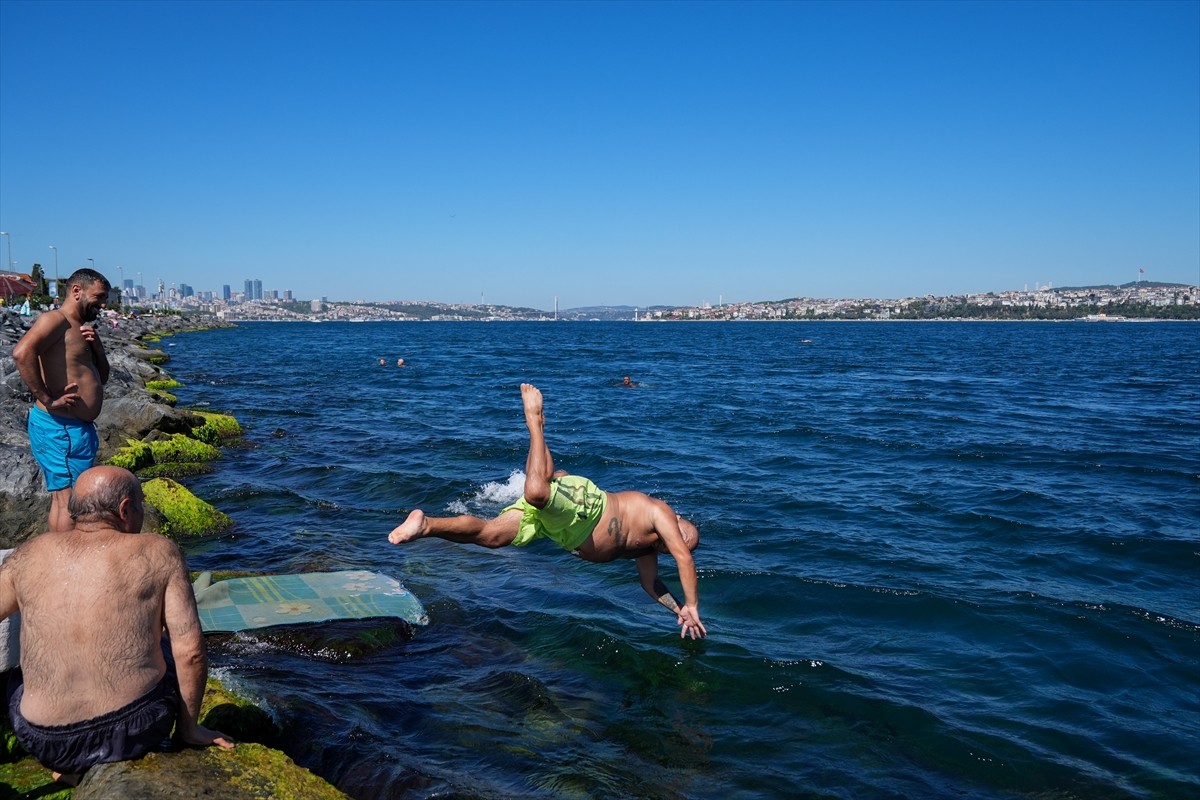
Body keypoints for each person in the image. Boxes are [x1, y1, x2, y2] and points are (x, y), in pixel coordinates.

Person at [388, 384, 707, 639]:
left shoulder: (648, 548)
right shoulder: (660, 512)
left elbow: (651, 585)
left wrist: (679, 609)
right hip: (588, 508)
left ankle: (425, 525)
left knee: (492, 536)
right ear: (677, 523)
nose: (675, 543)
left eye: (676, 543)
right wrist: (694, 604)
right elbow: (683, 557)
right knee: (538, 493)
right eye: (681, 537)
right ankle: (536, 423)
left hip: (562, 530)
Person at [0, 466, 233, 783]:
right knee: (164, 642)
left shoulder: (28, 554)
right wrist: (189, 728)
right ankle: (187, 731)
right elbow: (190, 652)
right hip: (131, 729)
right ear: (125, 509)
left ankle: (69, 769)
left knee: (15, 680)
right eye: (140, 505)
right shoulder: (159, 552)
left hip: (42, 739)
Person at [11, 268, 112, 531]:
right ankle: (62, 560)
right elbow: (22, 353)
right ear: (77, 291)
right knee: (68, 500)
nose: (102, 305)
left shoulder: (81, 329)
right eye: (99, 297)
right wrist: (47, 397)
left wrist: (97, 348)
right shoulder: (56, 320)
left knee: (68, 498)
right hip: (59, 429)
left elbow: (102, 377)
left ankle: (62, 557)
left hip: (74, 430)